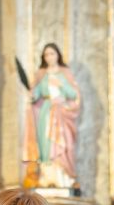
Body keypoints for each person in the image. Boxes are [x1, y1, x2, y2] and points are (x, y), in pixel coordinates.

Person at [22, 43, 81, 189]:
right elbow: (37, 93)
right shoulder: (42, 74)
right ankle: (47, 177)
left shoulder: (64, 73)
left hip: (62, 112)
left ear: (58, 55)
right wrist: (32, 96)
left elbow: (74, 94)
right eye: (46, 55)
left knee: (64, 144)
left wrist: (61, 84)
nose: (49, 57)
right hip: (46, 112)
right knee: (46, 145)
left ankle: (64, 178)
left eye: (52, 54)